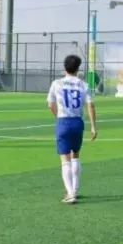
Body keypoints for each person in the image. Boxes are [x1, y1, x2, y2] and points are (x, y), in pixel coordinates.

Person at [47, 54, 97, 204]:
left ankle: (70, 193)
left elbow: (50, 104)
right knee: (76, 155)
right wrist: (93, 126)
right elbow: (91, 105)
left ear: (65, 67)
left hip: (63, 121)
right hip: (77, 122)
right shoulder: (83, 85)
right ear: (78, 68)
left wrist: (58, 116)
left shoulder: (57, 83)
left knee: (64, 159)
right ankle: (75, 189)